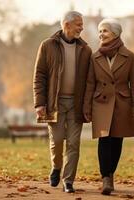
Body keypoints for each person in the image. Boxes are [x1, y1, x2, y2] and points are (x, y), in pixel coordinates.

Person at [33, 11, 92, 193]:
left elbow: (90, 81)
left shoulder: (86, 50)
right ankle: (56, 167)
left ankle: (68, 181)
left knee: (74, 143)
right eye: (78, 24)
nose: (81, 28)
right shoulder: (47, 45)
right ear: (66, 24)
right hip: (54, 103)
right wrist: (39, 103)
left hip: (76, 104)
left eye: (82, 24)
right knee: (57, 141)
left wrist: (88, 105)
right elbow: (39, 76)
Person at [83, 18, 134, 195]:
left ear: (115, 34)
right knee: (104, 141)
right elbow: (89, 84)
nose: (101, 34)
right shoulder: (95, 57)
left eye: (105, 31)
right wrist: (86, 108)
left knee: (117, 141)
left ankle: (110, 173)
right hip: (101, 104)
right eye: (100, 31)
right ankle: (106, 178)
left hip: (122, 105)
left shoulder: (129, 56)